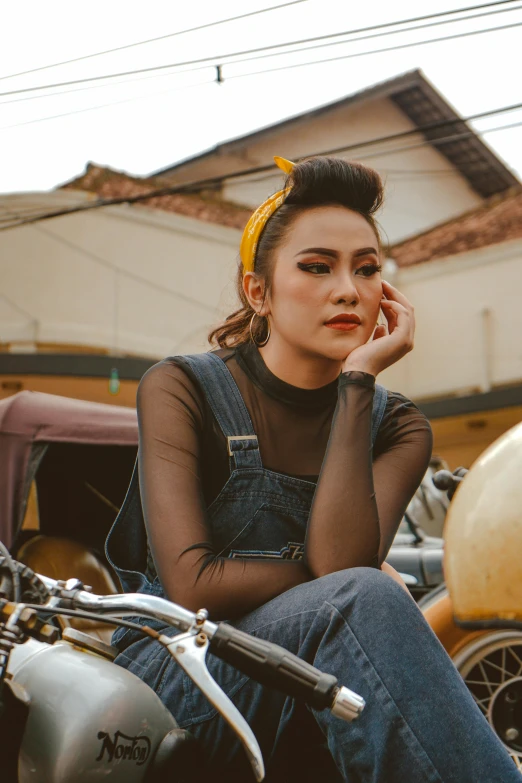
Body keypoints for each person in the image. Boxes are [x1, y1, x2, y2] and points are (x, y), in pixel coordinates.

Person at [106, 156, 519, 782]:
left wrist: (357, 383)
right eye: (317, 267)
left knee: (364, 603)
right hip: (179, 668)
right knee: (367, 595)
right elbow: (195, 584)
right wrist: (356, 575)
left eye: (368, 269)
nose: (349, 289)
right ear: (258, 291)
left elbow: (338, 564)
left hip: (313, 673)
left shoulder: (398, 425)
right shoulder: (181, 388)